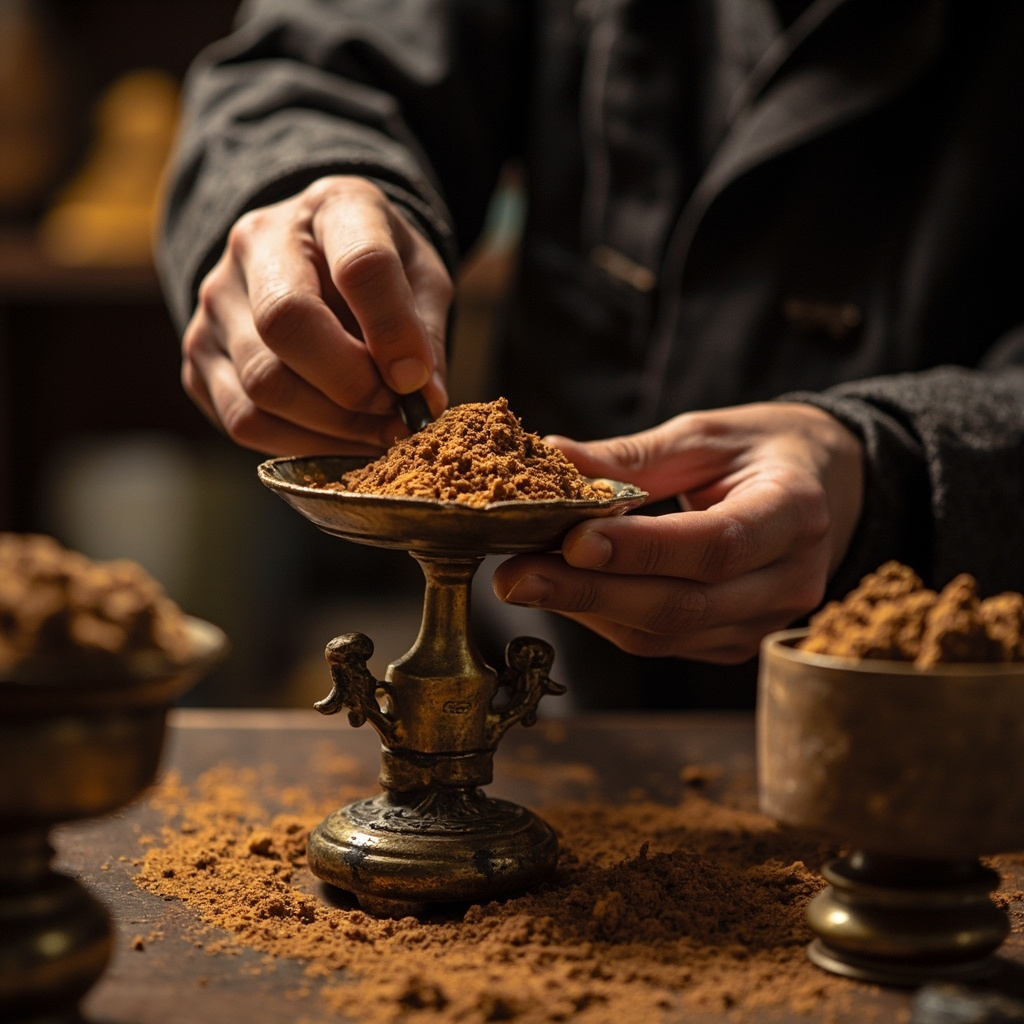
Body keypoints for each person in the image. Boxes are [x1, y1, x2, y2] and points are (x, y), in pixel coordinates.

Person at [156, 0, 1024, 708]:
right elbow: (312, 62)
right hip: (549, 680)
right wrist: (299, 188)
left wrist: (898, 465)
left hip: (943, 717)